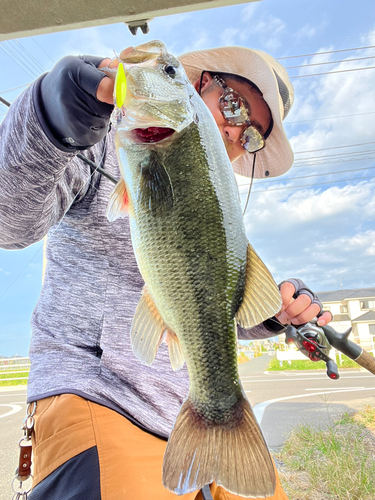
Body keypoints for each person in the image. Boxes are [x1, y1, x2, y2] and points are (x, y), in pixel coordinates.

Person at [0, 43, 332, 500]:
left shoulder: (216, 203)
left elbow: (205, 313)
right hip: (100, 399)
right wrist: (49, 119)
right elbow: (8, 220)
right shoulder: (96, 136)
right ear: (198, 86)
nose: (237, 134)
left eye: (253, 136)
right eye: (234, 105)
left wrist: (275, 314)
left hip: (191, 410)